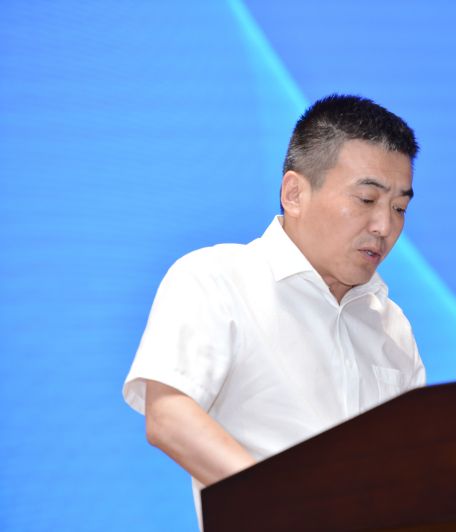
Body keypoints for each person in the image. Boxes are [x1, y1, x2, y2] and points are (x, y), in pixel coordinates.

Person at [122, 94, 426, 526]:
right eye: (366, 200)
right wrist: (289, 508)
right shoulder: (216, 278)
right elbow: (169, 416)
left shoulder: (392, 326)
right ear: (294, 193)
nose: (384, 226)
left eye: (399, 208)